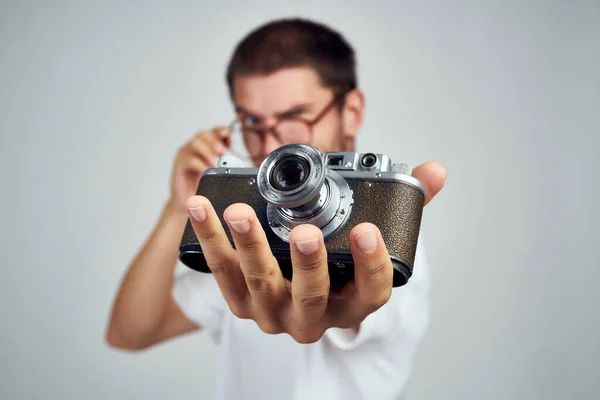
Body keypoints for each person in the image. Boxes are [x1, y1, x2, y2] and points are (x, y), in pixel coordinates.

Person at [106, 17, 446, 400]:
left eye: (294, 118)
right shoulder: (244, 231)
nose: (271, 147)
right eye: (252, 121)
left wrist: (340, 306)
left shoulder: (386, 233)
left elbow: (363, 304)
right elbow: (130, 333)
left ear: (351, 110)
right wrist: (178, 206)